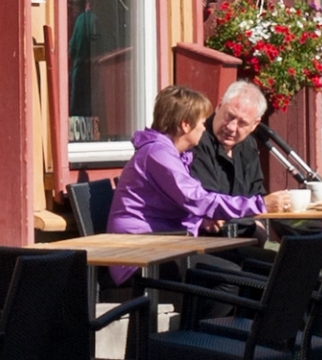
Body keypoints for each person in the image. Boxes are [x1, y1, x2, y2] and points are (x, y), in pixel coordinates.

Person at [109, 84, 304, 240]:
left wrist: (200, 220)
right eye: (203, 123)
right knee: (229, 276)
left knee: (261, 270)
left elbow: (181, 204)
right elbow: (197, 199)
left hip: (165, 243)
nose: (205, 129)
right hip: (140, 251)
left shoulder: (171, 153)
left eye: (242, 123)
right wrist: (259, 205)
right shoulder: (158, 153)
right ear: (186, 125)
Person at [190, 81, 273, 205]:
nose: (231, 127)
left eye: (242, 123)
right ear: (219, 106)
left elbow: (256, 193)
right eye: (229, 116)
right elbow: (207, 202)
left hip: (244, 222)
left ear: (254, 124)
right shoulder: (197, 139)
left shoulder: (249, 145)